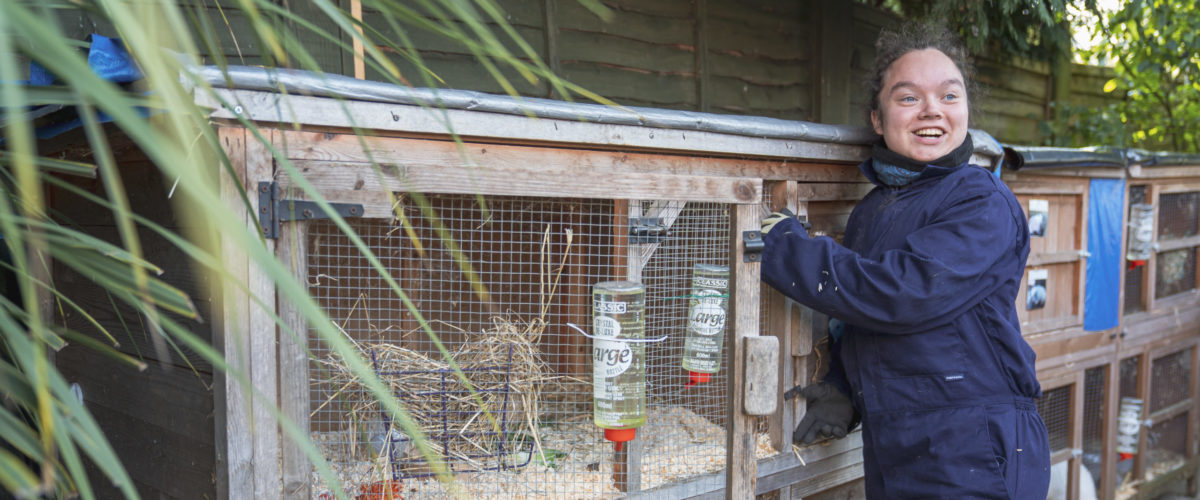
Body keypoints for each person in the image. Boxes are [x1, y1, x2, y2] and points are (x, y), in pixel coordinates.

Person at [759, 22, 1051, 499]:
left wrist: (783, 248)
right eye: (909, 97)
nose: (932, 109)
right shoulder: (874, 209)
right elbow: (860, 317)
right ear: (878, 118)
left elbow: (903, 294)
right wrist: (843, 388)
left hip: (974, 447)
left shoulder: (981, 200)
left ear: (966, 112)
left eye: (949, 96)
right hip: (896, 446)